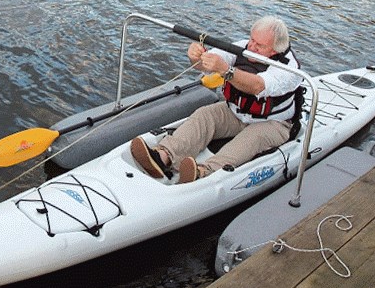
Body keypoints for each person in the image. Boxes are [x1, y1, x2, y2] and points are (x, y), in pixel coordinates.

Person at [130, 16, 303, 184]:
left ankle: (203, 172)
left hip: (274, 123)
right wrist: (196, 57)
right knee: (204, 115)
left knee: (250, 140)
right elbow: (209, 63)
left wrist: (226, 70)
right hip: (236, 112)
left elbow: (258, 86)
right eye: (252, 40)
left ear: (274, 50)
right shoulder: (243, 47)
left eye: (259, 46)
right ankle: (162, 157)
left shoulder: (289, 68)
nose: (251, 46)